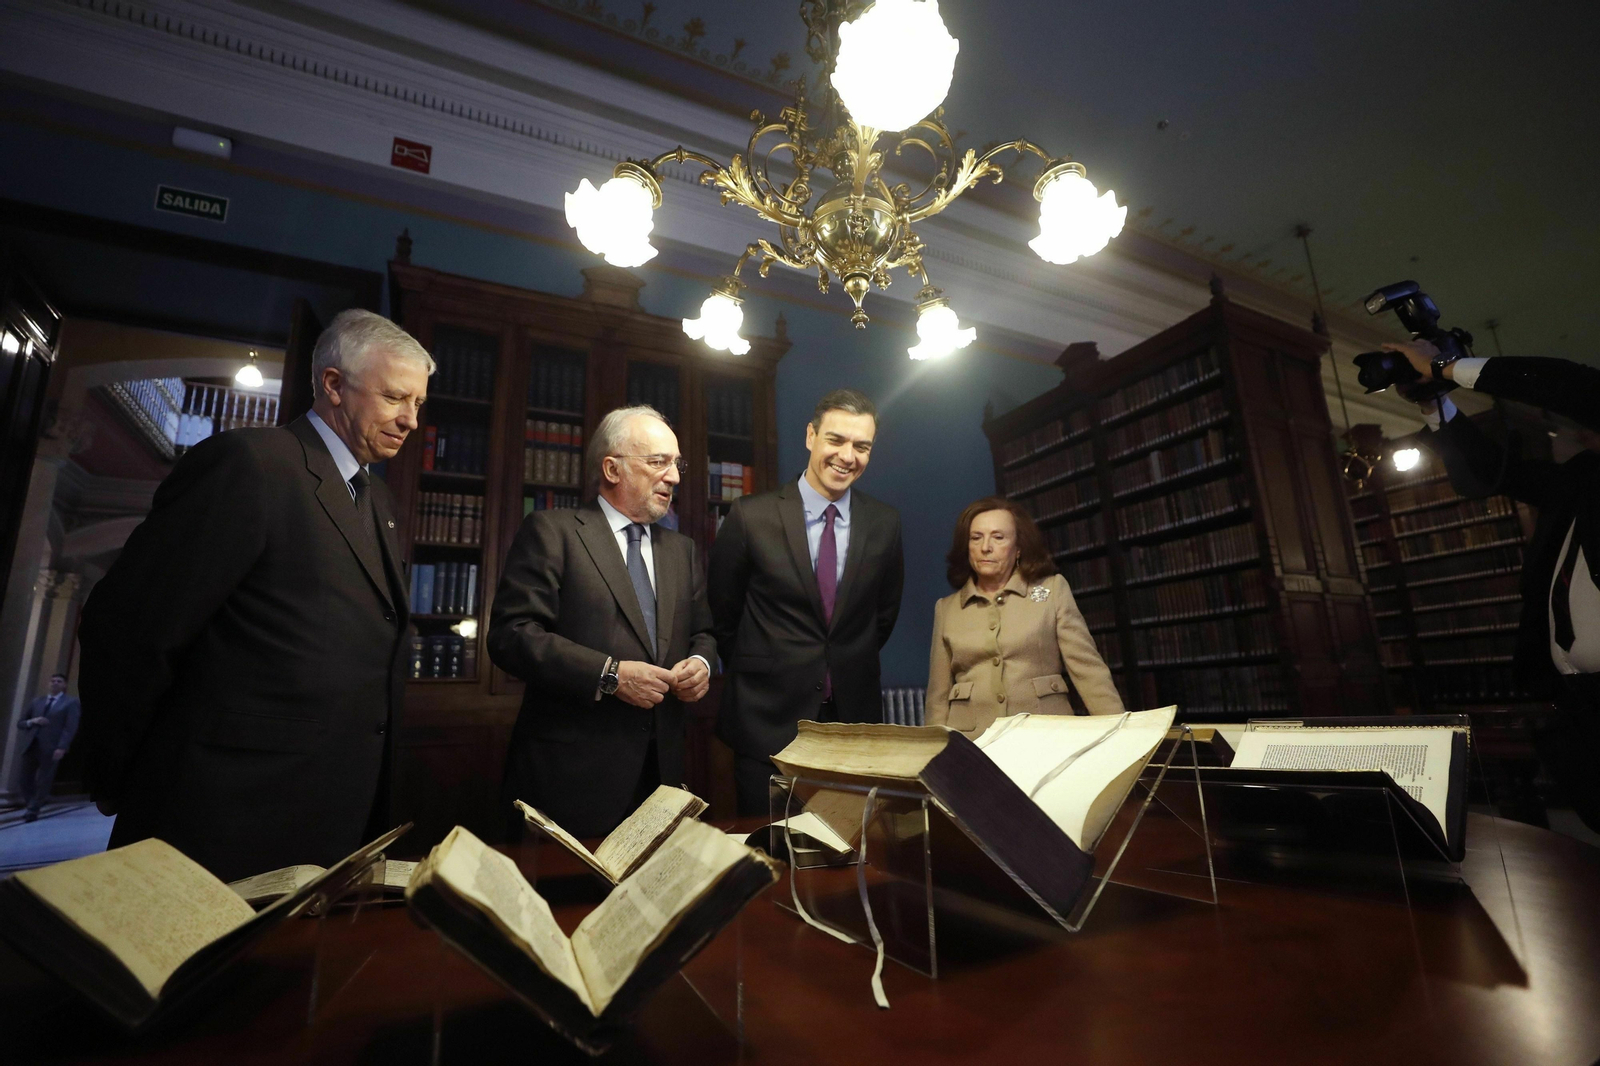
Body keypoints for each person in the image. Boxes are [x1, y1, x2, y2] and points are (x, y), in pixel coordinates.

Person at [77, 310, 429, 881]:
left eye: (418, 403)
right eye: (394, 397)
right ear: (333, 385)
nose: (410, 420)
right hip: (221, 813)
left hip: (331, 812)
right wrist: (121, 771)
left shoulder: (380, 504)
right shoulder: (249, 465)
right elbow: (130, 626)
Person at [1388, 341, 1600, 832]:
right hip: (1579, 704)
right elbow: (1487, 473)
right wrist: (1434, 399)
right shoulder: (1582, 479)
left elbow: (1577, 386)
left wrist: (1449, 366)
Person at [489, 405, 716, 839]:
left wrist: (701, 665)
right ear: (612, 468)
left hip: (664, 778)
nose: (674, 477)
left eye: (676, 464)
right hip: (570, 781)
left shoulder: (682, 550)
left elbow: (703, 632)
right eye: (658, 462)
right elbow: (511, 636)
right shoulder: (552, 532)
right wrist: (609, 675)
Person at [709, 388, 905, 815]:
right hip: (767, 725)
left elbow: (881, 618)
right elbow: (723, 614)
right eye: (836, 440)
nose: (847, 456)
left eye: (862, 446)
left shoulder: (884, 523)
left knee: (847, 861)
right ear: (810, 436)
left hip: (852, 728)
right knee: (770, 858)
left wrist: (839, 661)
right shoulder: (750, 516)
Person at [925, 497, 1123, 737]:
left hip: (1044, 736)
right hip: (973, 743)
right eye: (976, 537)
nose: (985, 547)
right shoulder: (947, 609)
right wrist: (934, 754)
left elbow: (1089, 672)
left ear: (1018, 547)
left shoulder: (1051, 592)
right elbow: (938, 696)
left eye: (998, 537)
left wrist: (1119, 735)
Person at [14, 673, 81, 822]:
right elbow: (21, 723)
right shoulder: (37, 701)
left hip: (52, 747)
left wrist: (62, 747)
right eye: (53, 681)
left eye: (59, 681)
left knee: (44, 780)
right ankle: (33, 802)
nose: (55, 683)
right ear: (49, 683)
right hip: (31, 745)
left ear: (64, 685)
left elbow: (70, 727)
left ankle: (32, 810)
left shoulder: (71, 703)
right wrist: (33, 721)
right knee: (24, 779)